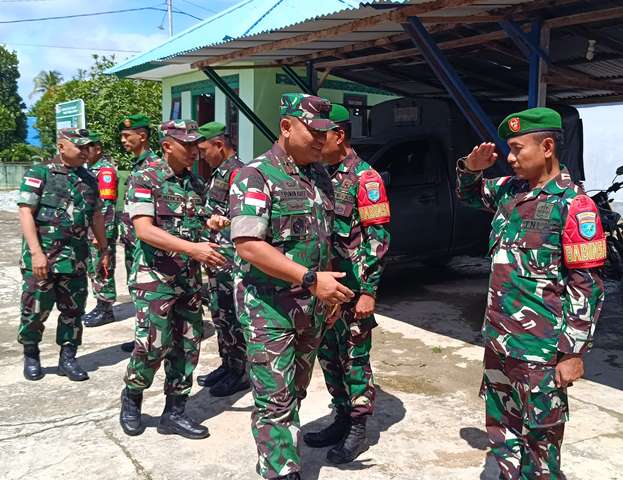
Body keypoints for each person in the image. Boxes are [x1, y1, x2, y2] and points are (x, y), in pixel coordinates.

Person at [456, 107, 606, 479]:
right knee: (503, 436)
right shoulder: (510, 192)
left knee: (541, 449)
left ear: (548, 147)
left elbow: (587, 286)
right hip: (499, 345)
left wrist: (572, 352)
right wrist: (470, 168)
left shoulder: (575, 205)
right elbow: (469, 195)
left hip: (540, 352)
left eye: (518, 148)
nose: (509, 157)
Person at [229, 93, 355, 480]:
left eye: (326, 133)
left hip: (312, 305)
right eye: (314, 132)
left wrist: (328, 290)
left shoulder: (319, 177)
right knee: (275, 399)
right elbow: (248, 245)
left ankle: (277, 449)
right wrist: (310, 279)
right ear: (286, 127)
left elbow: (323, 239)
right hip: (268, 307)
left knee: (295, 390)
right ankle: (281, 470)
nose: (321, 140)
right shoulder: (255, 176)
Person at [118, 120, 226, 439]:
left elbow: (198, 219)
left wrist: (213, 222)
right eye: (187, 145)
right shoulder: (145, 177)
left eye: (197, 145)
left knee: (187, 345)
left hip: (187, 280)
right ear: (167, 146)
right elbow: (145, 230)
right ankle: (132, 399)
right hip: (155, 278)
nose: (195, 151)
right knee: (153, 344)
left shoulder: (194, 182)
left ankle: (174, 412)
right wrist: (194, 248)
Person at [304, 104, 391, 463]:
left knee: (355, 359)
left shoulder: (365, 179)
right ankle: (340, 415)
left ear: (338, 136)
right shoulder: (320, 174)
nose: (314, 142)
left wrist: (369, 291)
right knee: (329, 356)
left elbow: (379, 238)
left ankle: (357, 426)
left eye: (320, 136)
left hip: (354, 290)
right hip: (326, 291)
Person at [17, 128, 111, 381]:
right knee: (34, 309)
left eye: (87, 147)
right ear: (61, 147)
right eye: (79, 147)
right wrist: (36, 253)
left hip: (75, 259)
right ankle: (31, 353)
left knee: (73, 312)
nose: (84, 151)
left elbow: (97, 216)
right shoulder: (40, 173)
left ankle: (67, 357)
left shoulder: (90, 180)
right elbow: (26, 213)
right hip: (42, 259)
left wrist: (104, 249)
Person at [195, 121, 249, 396]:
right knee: (220, 314)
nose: (202, 155)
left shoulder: (238, 173)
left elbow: (245, 218)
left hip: (230, 260)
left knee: (232, 315)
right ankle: (227, 364)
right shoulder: (219, 173)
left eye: (205, 149)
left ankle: (240, 371)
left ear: (219, 144)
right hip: (217, 258)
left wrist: (222, 223)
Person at [118, 114, 161, 352]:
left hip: (147, 244)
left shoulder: (153, 167)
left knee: (149, 296)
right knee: (137, 293)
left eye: (127, 135)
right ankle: (142, 336)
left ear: (142, 136)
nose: (123, 140)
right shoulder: (136, 165)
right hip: (132, 242)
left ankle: (150, 340)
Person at [82, 131, 119, 327]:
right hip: (92, 231)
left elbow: (106, 206)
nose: (84, 151)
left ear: (97, 149)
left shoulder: (104, 172)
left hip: (101, 232)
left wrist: (102, 235)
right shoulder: (90, 170)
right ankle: (100, 304)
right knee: (93, 268)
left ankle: (105, 309)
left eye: (88, 147)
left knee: (103, 267)